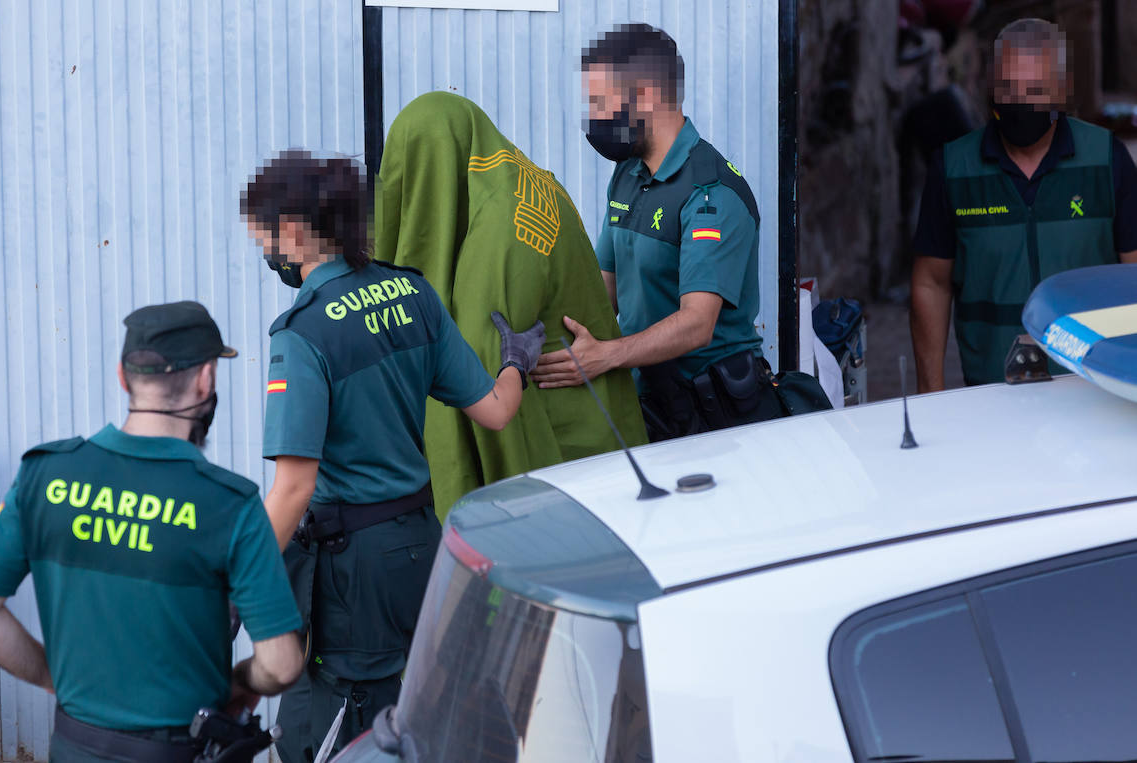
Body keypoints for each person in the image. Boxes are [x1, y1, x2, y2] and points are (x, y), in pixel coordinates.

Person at [241, 150, 542, 762]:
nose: (267, 254)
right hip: (423, 548)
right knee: (425, 707)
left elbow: (293, 489)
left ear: (294, 233)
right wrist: (516, 361)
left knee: (334, 725)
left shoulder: (301, 334)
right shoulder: (414, 293)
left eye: (265, 239)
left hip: (355, 575)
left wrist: (232, 576)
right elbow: (496, 410)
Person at [0, 301, 304, 763]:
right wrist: (238, 683)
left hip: (73, 745)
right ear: (206, 380)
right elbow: (281, 665)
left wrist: (53, 677)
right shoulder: (230, 504)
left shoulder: (45, 476)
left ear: (123, 377)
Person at [376, 90, 647, 513]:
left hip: (555, 457)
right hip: (596, 428)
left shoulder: (503, 226)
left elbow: (477, 364)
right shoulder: (525, 179)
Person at [530, 23, 783, 441]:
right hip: (649, 406)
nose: (592, 118)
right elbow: (602, 289)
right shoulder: (628, 175)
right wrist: (533, 331)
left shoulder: (710, 192)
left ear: (645, 95)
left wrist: (606, 356)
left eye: (599, 102)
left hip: (716, 418)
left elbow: (697, 324)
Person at [911, 18, 1137, 390]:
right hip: (990, 392)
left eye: (1035, 89)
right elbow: (931, 284)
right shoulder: (954, 168)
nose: (1020, 103)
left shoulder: (1106, 161)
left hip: (1091, 390)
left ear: (1062, 92)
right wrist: (930, 397)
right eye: (1008, 88)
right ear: (990, 85)